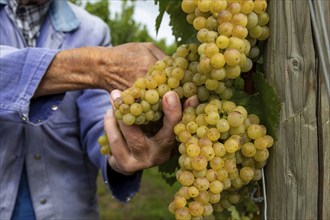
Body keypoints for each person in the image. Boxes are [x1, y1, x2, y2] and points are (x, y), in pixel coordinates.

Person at [0, 0, 197, 219]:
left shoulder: (93, 30)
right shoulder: (101, 58)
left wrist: (122, 151)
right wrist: (96, 66)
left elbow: (97, 120)